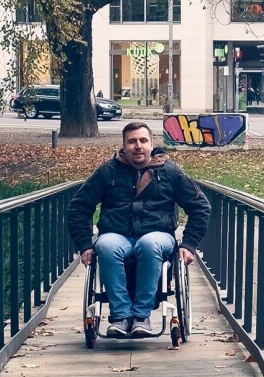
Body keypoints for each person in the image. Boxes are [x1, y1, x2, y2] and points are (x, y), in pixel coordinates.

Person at [67, 122, 210, 338]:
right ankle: (121, 316)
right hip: (117, 235)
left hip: (158, 235)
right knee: (105, 245)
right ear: (124, 146)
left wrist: (189, 244)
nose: (138, 146)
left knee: (148, 243)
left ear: (152, 145)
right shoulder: (108, 171)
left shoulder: (170, 171)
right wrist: (85, 244)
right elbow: (78, 206)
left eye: (143, 141)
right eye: (132, 141)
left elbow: (200, 206)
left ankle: (142, 315)